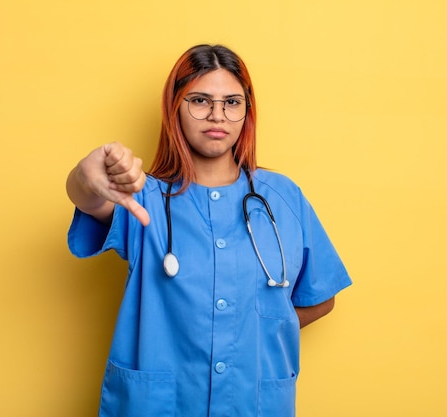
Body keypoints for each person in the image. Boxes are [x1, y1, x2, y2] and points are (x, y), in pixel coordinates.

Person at [66, 44, 352, 417]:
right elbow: (89, 198)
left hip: (253, 403)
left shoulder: (282, 198)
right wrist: (85, 177)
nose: (217, 115)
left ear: (246, 112)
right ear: (175, 108)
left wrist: (251, 329)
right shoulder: (143, 197)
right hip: (159, 406)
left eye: (232, 103)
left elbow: (320, 296)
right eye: (200, 100)